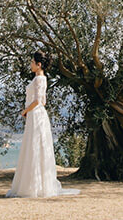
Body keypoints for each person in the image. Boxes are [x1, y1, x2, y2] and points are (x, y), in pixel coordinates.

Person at [7, 51, 79, 198]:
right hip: (37, 114)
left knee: (34, 147)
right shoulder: (41, 79)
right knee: (35, 147)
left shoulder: (39, 79)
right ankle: (37, 185)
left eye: (32, 62)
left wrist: (25, 111)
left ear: (38, 65)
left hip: (35, 114)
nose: (30, 64)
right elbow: (44, 101)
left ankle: (34, 186)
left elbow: (38, 101)